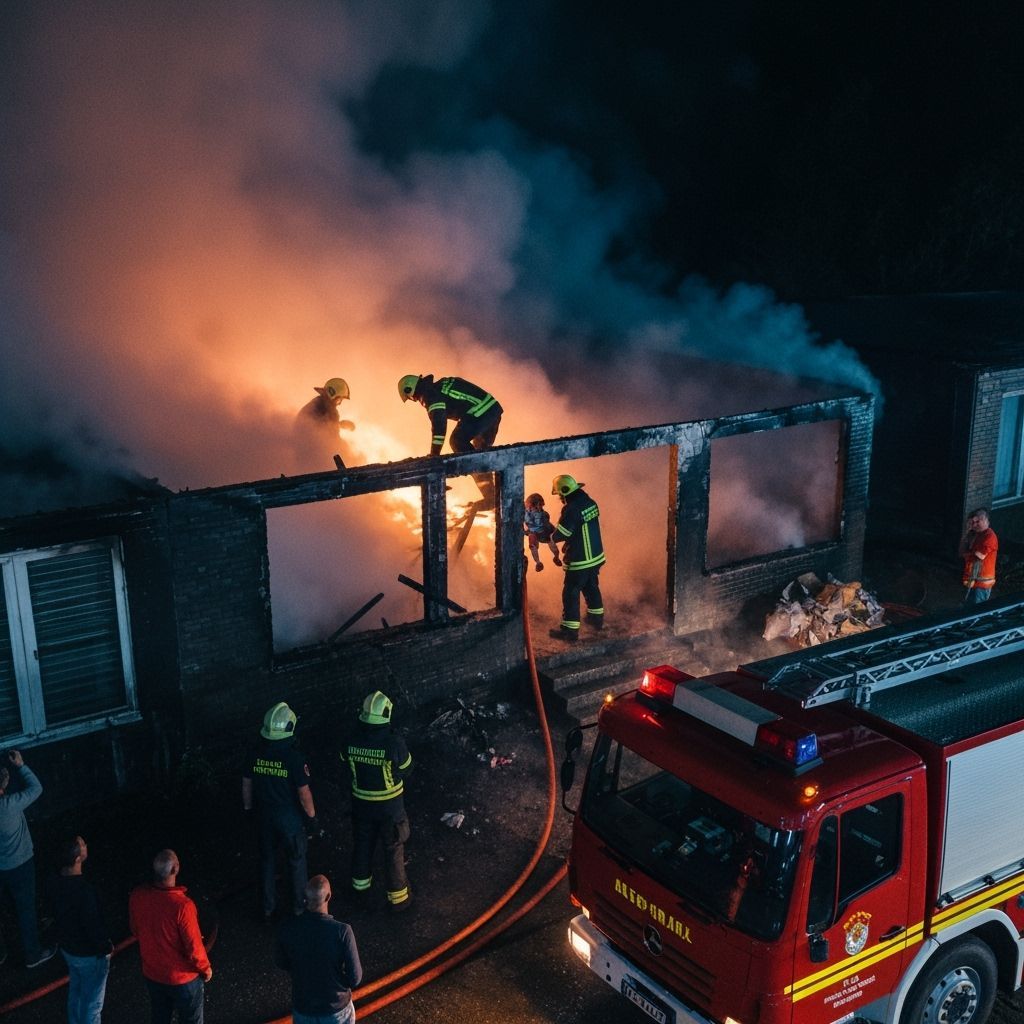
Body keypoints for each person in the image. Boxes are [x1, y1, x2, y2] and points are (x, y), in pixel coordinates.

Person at [242, 702, 320, 921]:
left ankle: (268, 909)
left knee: (267, 862)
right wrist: (312, 818)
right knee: (296, 862)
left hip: (263, 817)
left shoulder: (254, 754)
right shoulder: (294, 759)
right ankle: (299, 908)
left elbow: (246, 784)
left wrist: (248, 809)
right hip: (289, 820)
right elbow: (304, 794)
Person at [341, 691, 413, 912]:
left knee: (363, 845)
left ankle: (360, 889)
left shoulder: (350, 739)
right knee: (393, 849)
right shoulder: (394, 742)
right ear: (386, 714)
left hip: (361, 805)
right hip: (390, 809)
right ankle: (399, 900)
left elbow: (344, 764)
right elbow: (406, 769)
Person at [128, 849, 212, 1024]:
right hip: (182, 979)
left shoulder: (138, 896)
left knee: (160, 1015)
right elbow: (194, 947)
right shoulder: (183, 907)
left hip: (153, 974)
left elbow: (136, 930)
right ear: (175, 869)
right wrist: (205, 969)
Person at [397, 373, 502, 505]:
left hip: (482, 411)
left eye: (411, 397)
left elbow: (439, 426)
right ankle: (491, 496)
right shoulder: (438, 387)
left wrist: (434, 456)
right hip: (491, 410)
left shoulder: (429, 395)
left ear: (410, 390)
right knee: (478, 453)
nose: (414, 400)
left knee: (457, 441)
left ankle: (489, 494)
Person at [274, 874, 363, 1024]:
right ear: (328, 897)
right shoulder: (342, 932)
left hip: (303, 1006)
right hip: (336, 1009)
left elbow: (281, 962)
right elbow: (355, 978)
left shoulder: (287, 928)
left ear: (305, 898)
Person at [0, 749, 56, 969]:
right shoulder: (9, 804)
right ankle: (32, 955)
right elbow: (36, 788)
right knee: (25, 908)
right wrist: (21, 765)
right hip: (20, 865)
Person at [52, 835, 113, 1024]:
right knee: (92, 1005)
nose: (86, 845)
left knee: (76, 992)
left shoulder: (55, 882)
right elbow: (93, 926)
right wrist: (106, 948)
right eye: (83, 845)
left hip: (68, 950)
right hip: (88, 955)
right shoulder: (85, 891)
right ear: (78, 858)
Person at [548, 474, 606, 642]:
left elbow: (564, 533)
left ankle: (569, 631)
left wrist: (551, 536)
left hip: (580, 559)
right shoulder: (590, 502)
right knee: (591, 587)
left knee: (570, 593)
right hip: (595, 556)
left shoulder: (572, 509)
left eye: (560, 494)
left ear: (565, 492)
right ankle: (596, 621)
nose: (560, 498)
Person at [294, 377, 355, 469]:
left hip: (300, 458)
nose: (339, 404)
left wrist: (339, 424)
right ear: (333, 395)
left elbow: (320, 424)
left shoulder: (315, 404)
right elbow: (333, 441)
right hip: (314, 460)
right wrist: (349, 454)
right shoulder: (329, 411)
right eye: (339, 400)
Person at [959, 507, 998, 604]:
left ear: (987, 521)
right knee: (968, 608)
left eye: (978, 521)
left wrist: (968, 553)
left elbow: (980, 555)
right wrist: (967, 533)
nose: (975, 524)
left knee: (977, 610)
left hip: (982, 583)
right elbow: (961, 552)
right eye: (973, 522)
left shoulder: (990, 536)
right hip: (972, 580)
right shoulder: (976, 535)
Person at [523, 493, 562, 572]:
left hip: (545, 532)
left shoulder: (544, 515)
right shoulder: (526, 511)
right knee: (533, 546)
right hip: (534, 533)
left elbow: (544, 524)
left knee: (552, 543)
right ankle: (538, 563)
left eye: (541, 506)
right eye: (537, 506)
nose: (540, 508)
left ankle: (556, 557)